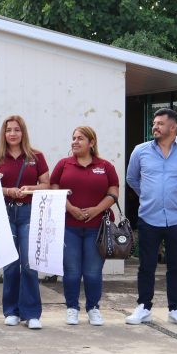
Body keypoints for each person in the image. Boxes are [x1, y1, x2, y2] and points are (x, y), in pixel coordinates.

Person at [125, 108, 177, 326]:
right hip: (149, 217)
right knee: (146, 265)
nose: (155, 127)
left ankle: (175, 308)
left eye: (160, 123)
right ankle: (144, 307)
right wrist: (150, 197)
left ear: (173, 127)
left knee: (176, 266)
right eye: (154, 123)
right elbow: (132, 178)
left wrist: (176, 198)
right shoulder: (140, 151)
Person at [0, 115, 49, 330]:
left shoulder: (36, 156)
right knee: (10, 264)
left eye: (16, 130)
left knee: (29, 265)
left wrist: (29, 189)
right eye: (8, 130)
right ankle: (11, 310)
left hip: (29, 213)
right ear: (3, 133)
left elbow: (46, 184)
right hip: (4, 214)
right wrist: (8, 191)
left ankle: (32, 313)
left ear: (23, 132)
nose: (12, 133)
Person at [49, 126, 119, 326]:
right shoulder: (63, 164)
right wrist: (70, 208)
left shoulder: (105, 166)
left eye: (80, 138)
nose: (75, 141)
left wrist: (97, 209)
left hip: (97, 227)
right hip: (69, 226)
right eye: (73, 138)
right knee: (71, 270)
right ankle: (72, 308)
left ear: (92, 142)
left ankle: (93, 308)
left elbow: (113, 191)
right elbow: (54, 188)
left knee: (92, 271)